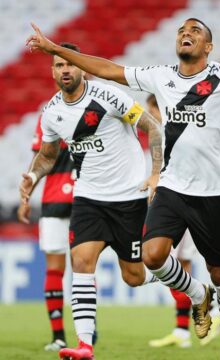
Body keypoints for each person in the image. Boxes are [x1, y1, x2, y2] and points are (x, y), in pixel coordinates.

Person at [27, 19, 220, 360]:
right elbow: (108, 69)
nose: (186, 34)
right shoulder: (160, 76)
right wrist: (56, 49)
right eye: (181, 30)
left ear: (208, 47)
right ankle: (196, 294)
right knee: (152, 255)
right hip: (172, 187)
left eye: (195, 31)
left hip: (216, 191)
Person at [19, 42, 162, 360]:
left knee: (134, 277)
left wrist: (155, 174)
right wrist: (31, 177)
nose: (65, 70)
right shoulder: (52, 112)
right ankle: (85, 346)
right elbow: (47, 156)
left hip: (127, 197)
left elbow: (152, 127)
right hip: (88, 197)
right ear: (52, 71)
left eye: (69, 63)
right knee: (81, 264)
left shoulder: (110, 96)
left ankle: (188, 286)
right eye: (58, 65)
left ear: (81, 67)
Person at [145, 94, 220, 348]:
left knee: (173, 264)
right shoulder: (165, 134)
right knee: (179, 265)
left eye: (151, 110)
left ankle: (210, 310)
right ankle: (183, 329)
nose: (149, 116)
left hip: (183, 204)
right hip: (180, 203)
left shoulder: (175, 133)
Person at [18, 113, 75, 351]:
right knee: (81, 267)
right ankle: (68, 333)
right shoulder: (51, 114)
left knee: (74, 267)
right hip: (73, 199)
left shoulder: (50, 114)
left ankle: (65, 334)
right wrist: (26, 196)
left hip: (81, 199)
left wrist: (26, 197)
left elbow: (39, 157)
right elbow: (40, 158)